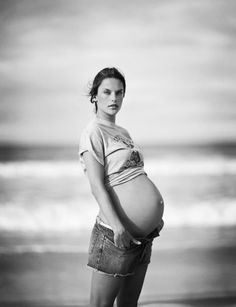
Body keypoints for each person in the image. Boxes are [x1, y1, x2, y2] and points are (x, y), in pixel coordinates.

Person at [79, 67, 164, 307]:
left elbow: (135, 173)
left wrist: (153, 217)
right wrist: (118, 227)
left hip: (143, 236)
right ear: (94, 95)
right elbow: (97, 185)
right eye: (107, 92)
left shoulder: (123, 132)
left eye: (119, 92)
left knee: (128, 305)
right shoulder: (93, 132)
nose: (114, 98)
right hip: (115, 234)